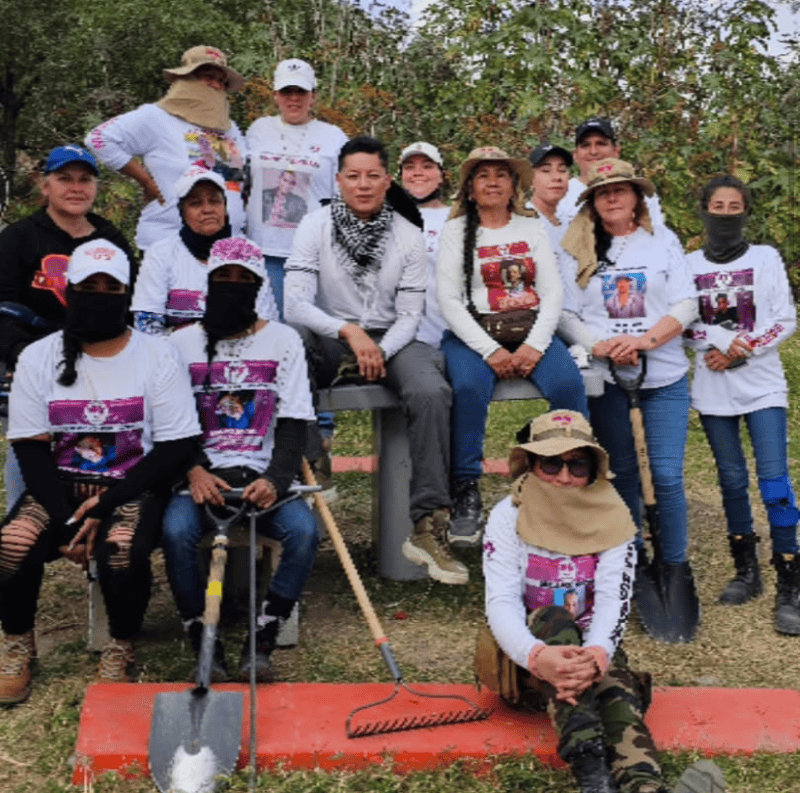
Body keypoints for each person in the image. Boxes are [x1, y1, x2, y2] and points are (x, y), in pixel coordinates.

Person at [478, 410, 726, 793]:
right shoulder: (506, 516)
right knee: (555, 616)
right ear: (531, 463)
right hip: (528, 662)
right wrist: (537, 656)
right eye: (551, 463)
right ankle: (592, 771)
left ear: (593, 469)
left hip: (590, 658)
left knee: (618, 694)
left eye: (577, 466)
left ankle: (645, 786)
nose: (564, 477)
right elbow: (502, 601)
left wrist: (596, 654)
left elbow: (613, 600)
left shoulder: (614, 516)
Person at [0, 240, 200, 703]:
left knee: (122, 548)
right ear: (69, 291)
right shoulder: (38, 357)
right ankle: (17, 644)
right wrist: (69, 520)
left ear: (128, 294)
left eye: (113, 287)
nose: (101, 295)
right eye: (90, 286)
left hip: (133, 486)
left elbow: (174, 447)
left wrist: (105, 506)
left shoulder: (158, 354)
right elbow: (31, 450)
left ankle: (120, 645)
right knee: (12, 543)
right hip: (59, 487)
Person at [284, 136, 465, 585]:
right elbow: (296, 304)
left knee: (431, 389)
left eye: (372, 176)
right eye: (353, 176)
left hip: (394, 338)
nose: (363, 185)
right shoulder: (314, 224)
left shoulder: (408, 234)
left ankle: (428, 525)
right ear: (339, 179)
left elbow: (410, 315)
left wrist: (380, 351)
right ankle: (312, 467)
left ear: (387, 180)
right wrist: (349, 333)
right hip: (331, 332)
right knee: (288, 344)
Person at [165, 237, 318, 680]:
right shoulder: (179, 344)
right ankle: (201, 639)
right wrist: (193, 470)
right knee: (175, 532)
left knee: (304, 533)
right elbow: (170, 424)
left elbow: (293, 422)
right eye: (223, 278)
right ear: (208, 282)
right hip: (200, 478)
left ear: (256, 286)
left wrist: (275, 479)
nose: (232, 285)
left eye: (243, 279)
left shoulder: (283, 340)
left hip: (261, 477)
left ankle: (263, 636)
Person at [437, 146, 588, 547]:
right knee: (468, 389)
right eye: (482, 175)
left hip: (530, 329)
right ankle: (465, 489)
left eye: (500, 175)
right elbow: (449, 300)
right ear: (469, 188)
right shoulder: (456, 232)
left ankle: (569, 482)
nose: (491, 182)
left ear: (513, 185)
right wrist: (490, 351)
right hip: (475, 336)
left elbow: (552, 291)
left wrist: (536, 346)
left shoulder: (531, 225)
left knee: (569, 386)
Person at [558, 158, 698, 576]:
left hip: (665, 378)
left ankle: (673, 565)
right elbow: (566, 314)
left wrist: (644, 341)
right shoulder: (577, 249)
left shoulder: (662, 242)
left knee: (666, 477)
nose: (613, 197)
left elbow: (686, 303)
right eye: (603, 192)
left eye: (621, 189)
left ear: (637, 197)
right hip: (608, 381)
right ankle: (629, 564)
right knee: (622, 477)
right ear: (594, 201)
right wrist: (601, 346)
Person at [684, 174, 800, 634]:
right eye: (719, 206)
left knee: (774, 481)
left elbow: (784, 317)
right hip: (713, 387)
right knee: (731, 480)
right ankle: (745, 571)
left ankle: (790, 578)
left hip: (763, 385)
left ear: (746, 212)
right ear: (704, 210)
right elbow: (682, 321)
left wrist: (743, 347)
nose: (726, 214)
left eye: (735, 207)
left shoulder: (766, 258)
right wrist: (714, 343)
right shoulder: (688, 262)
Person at [0, 145, 135, 511]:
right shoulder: (19, 238)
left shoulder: (111, 240)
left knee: (102, 445)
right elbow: (4, 307)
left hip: (99, 361)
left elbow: (129, 308)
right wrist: (20, 356)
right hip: (34, 358)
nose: (76, 188)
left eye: (84, 180)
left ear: (95, 187)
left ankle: (101, 528)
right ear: (45, 186)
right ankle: (24, 517)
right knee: (30, 443)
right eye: (64, 179)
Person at [85, 46, 247, 250]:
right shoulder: (157, 117)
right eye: (208, 77)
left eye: (222, 81)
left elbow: (239, 179)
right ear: (186, 78)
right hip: (170, 244)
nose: (216, 85)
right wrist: (145, 180)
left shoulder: (230, 129)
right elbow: (99, 138)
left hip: (227, 249)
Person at [245, 58, 348, 318]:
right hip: (263, 251)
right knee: (267, 327)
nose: (294, 99)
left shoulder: (334, 136)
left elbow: (346, 194)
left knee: (307, 329)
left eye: (301, 92)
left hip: (312, 255)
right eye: (286, 92)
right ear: (275, 95)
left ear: (313, 96)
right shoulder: (257, 130)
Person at [130, 166, 277, 334]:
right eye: (195, 203)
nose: (207, 209)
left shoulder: (248, 253)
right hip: (175, 355)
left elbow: (266, 325)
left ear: (225, 206)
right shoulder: (160, 254)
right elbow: (147, 326)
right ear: (182, 212)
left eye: (214, 201)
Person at [561, 118, 664, 227]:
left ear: (616, 151)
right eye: (585, 145)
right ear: (575, 154)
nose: (593, 151)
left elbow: (657, 238)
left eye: (601, 144)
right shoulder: (559, 195)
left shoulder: (642, 194)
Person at [399, 141, 451, 350]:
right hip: (404, 341)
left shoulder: (457, 219)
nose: (417, 173)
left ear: (441, 176)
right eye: (409, 167)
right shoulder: (385, 219)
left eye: (427, 166)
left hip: (451, 336)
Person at [528, 141, 573, 256]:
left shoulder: (569, 223)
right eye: (546, 171)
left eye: (562, 170)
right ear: (529, 179)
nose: (557, 177)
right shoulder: (524, 223)